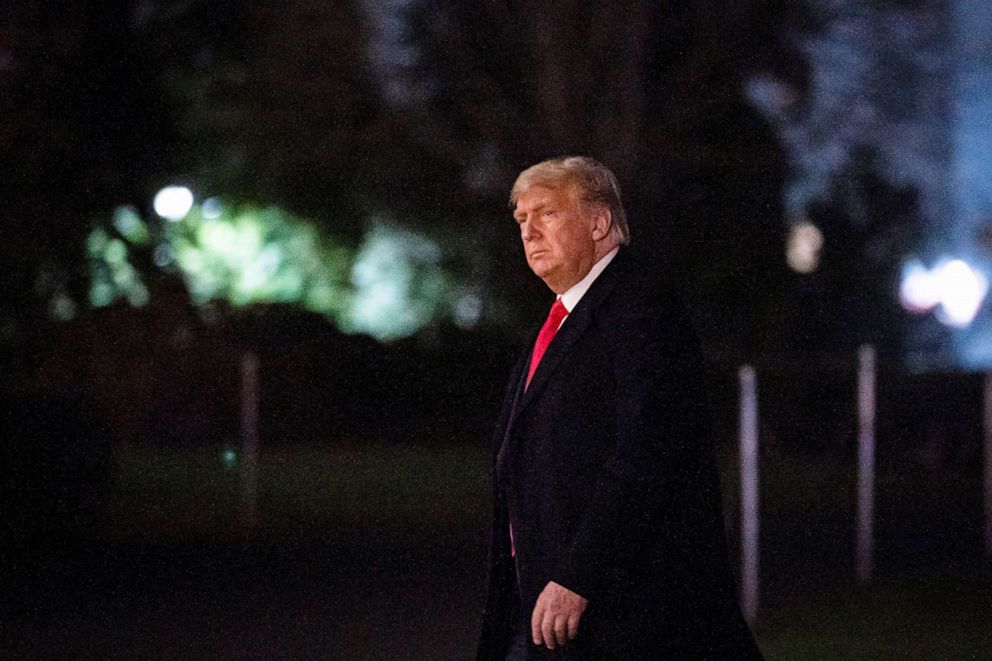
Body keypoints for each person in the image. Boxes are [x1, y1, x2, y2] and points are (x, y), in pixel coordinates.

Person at [477, 156, 763, 660]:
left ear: (598, 222)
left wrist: (577, 575)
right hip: (545, 607)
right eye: (521, 220)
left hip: (623, 614)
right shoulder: (562, 316)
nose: (528, 231)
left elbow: (645, 455)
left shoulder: (642, 310)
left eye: (545, 213)